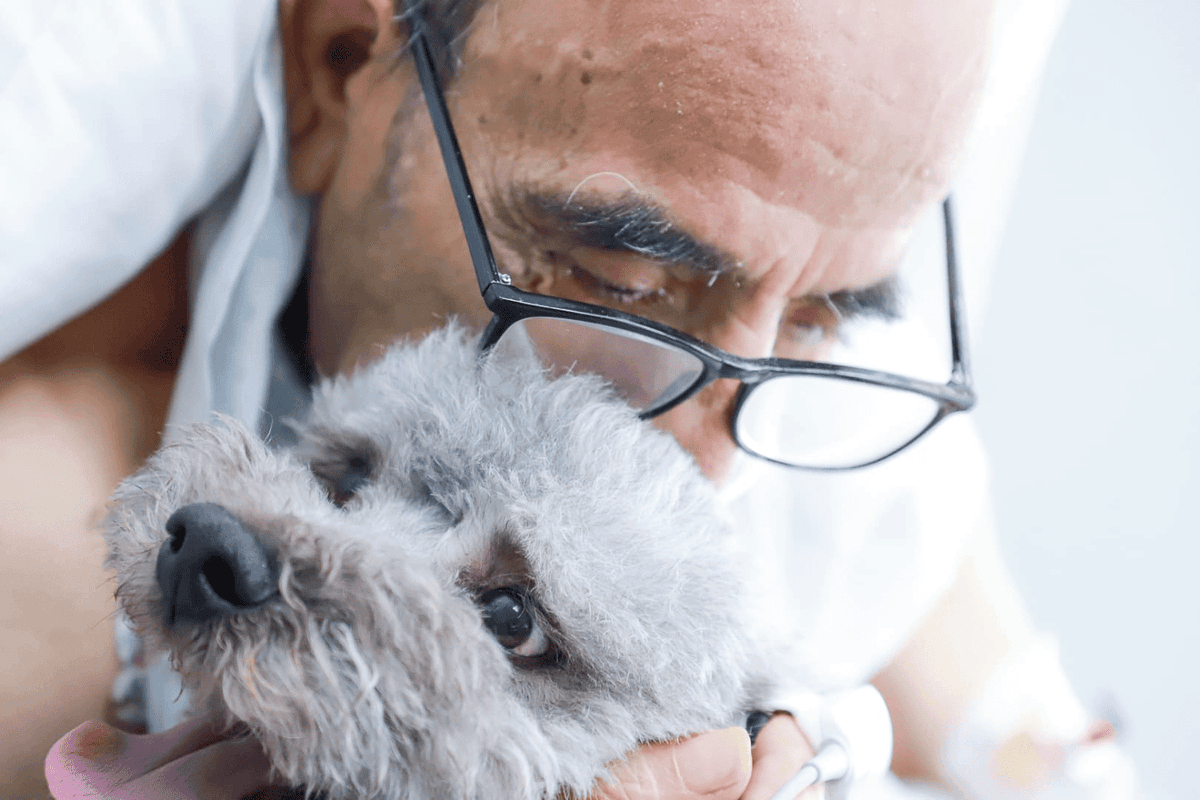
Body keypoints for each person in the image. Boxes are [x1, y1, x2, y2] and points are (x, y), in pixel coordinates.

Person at [1, 0, 1136, 798]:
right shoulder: (45, 497)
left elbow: (974, 661)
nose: (705, 462)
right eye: (617, 281)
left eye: (811, 320)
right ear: (337, 61)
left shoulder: (847, 427)